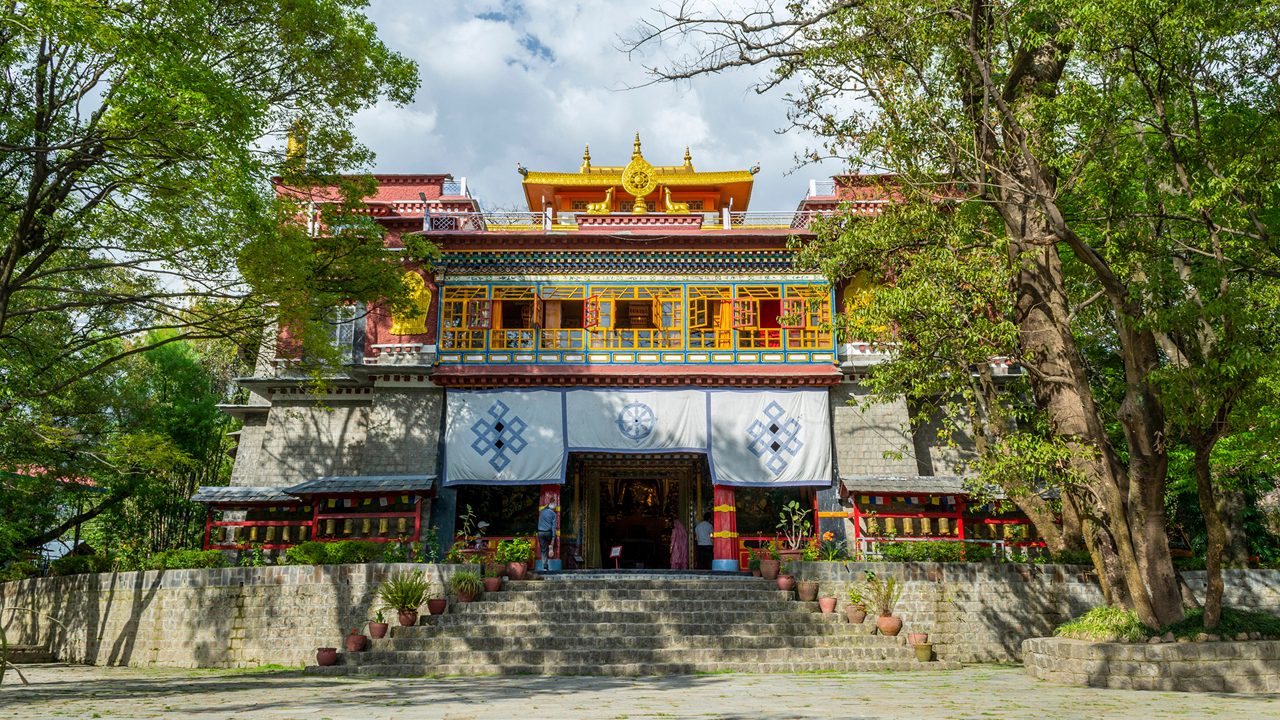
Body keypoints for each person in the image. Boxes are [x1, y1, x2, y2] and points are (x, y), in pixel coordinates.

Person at [537, 503, 558, 572]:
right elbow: (554, 527)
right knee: (551, 542)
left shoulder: (542, 511)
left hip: (540, 532)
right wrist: (553, 537)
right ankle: (551, 545)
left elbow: (544, 507)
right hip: (548, 532)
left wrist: (547, 504)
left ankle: (545, 566)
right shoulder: (554, 514)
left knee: (543, 550)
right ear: (554, 509)